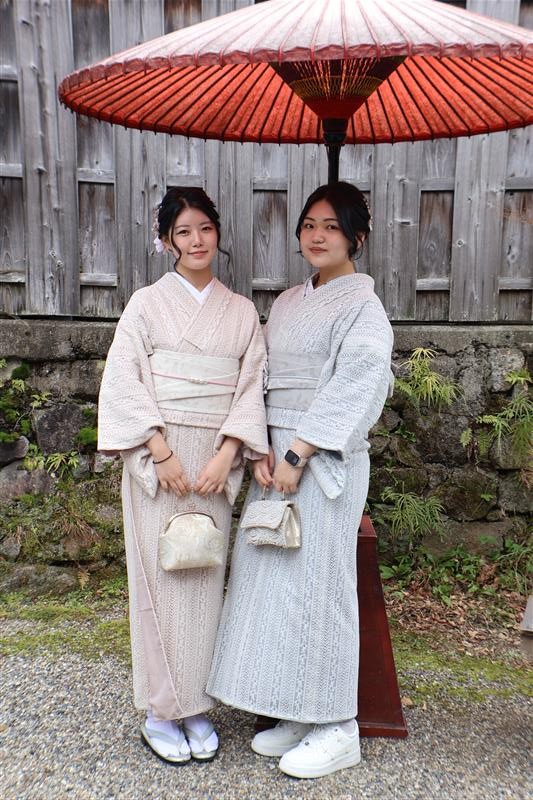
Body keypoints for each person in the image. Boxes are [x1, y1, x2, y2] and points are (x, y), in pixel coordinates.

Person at [207, 181, 394, 779]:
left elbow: (358, 382)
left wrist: (299, 450)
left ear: (357, 237)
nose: (317, 236)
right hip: (276, 454)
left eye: (332, 226)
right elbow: (260, 375)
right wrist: (260, 445)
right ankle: (297, 707)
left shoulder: (364, 308)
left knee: (321, 585)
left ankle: (338, 725)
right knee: (275, 583)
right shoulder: (288, 303)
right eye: (309, 224)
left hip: (321, 457)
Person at [97, 187, 268, 765]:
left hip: (213, 465)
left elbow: (251, 386)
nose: (197, 241)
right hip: (160, 460)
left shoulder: (240, 312)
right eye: (184, 232)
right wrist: (158, 449)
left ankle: (194, 704)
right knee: (157, 580)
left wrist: (228, 453)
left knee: (202, 581)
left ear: (217, 233)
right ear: (167, 241)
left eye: (205, 229)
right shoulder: (145, 305)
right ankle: (158, 710)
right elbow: (122, 380)